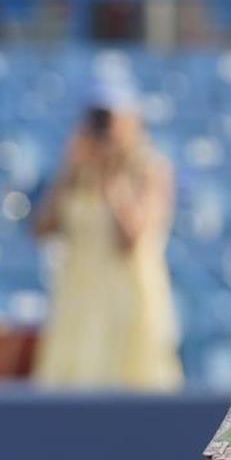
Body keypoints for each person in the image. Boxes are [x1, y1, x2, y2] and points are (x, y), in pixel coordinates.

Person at [32, 71, 183, 391]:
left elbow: (131, 239)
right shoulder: (77, 171)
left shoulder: (150, 169)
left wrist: (110, 178)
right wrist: (68, 171)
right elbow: (42, 229)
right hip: (78, 305)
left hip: (130, 307)